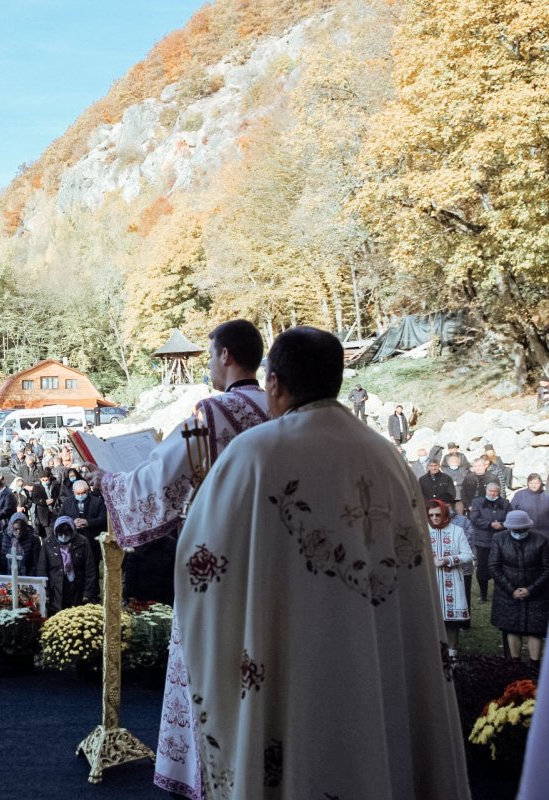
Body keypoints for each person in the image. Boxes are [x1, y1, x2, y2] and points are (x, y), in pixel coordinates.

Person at [173, 326, 470, 798]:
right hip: (378, 655)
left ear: (274, 383)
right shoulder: (387, 455)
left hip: (293, 659)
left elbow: (201, 565)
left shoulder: (255, 453)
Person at [89, 320, 273, 800]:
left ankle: (205, 775)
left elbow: (156, 480)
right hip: (270, 559)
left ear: (226, 355)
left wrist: (107, 480)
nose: (211, 365)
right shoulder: (280, 409)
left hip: (216, 563)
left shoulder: (214, 414)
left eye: (211, 356)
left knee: (208, 665)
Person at [490, 510, 549, 665]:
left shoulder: (542, 540)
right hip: (508, 593)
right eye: (515, 530)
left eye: (522, 530)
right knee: (512, 627)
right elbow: (494, 566)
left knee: (535, 629)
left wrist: (531, 589)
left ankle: (535, 665)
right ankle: (514, 665)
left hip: (537, 593)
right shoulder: (498, 539)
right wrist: (511, 590)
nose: (518, 533)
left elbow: (547, 568)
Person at [426, 499, 472, 659]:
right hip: (429, 582)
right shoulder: (423, 531)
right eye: (430, 515)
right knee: (430, 620)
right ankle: (432, 656)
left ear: (445, 514)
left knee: (451, 621)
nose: (434, 518)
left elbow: (468, 555)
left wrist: (449, 560)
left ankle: (452, 656)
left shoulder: (457, 531)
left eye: (438, 514)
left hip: (451, 581)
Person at [37, 516, 97, 616]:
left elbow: (90, 568)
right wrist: (44, 591)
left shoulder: (82, 542)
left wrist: (88, 592)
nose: (64, 537)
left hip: (77, 586)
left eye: (67, 534)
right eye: (60, 534)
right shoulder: (48, 543)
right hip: (55, 587)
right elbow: (42, 568)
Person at [469, 481, 511, 603]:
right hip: (483, 541)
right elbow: (474, 518)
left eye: (495, 492)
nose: (492, 494)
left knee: (501, 567)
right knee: (482, 568)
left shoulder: (505, 503)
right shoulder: (477, 502)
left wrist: (502, 524)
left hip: (501, 540)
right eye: (490, 491)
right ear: (486, 491)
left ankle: (500, 593)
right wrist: (490, 524)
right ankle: (483, 595)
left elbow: (510, 517)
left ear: (498, 492)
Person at [0, 512, 40, 580]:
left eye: (21, 529)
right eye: (16, 529)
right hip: (4, 577)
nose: (18, 532)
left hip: (26, 578)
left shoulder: (33, 539)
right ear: (11, 525)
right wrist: (1, 576)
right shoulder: (1, 537)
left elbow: (36, 563)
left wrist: (29, 578)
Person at [511, 473, 549, 537]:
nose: (533, 486)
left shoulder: (547, 496)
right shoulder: (520, 495)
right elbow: (512, 512)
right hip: (525, 533)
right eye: (531, 483)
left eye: (536, 483)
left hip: (545, 533)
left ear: (541, 483)